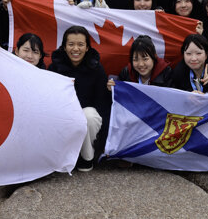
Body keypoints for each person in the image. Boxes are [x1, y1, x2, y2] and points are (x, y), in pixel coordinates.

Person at [48, 26, 110, 172]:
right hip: (62, 116)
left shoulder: (97, 69)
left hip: (86, 119)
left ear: (87, 47)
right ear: (64, 47)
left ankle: (86, 158)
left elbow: (102, 105)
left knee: (89, 115)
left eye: (80, 44)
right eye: (71, 44)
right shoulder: (54, 68)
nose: (76, 49)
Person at [107, 35, 172, 88]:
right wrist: (112, 89)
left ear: (154, 57)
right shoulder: (126, 73)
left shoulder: (166, 73)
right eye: (136, 59)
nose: (141, 64)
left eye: (145, 59)